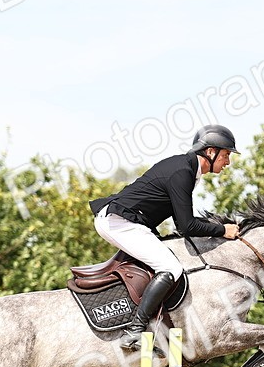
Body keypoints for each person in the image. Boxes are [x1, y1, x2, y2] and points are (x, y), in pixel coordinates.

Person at [90, 124, 241, 350]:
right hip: (119, 222)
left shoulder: (187, 168)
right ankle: (134, 331)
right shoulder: (183, 172)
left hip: (127, 221)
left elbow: (178, 220)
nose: (228, 162)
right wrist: (222, 230)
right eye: (226, 154)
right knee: (170, 268)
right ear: (211, 152)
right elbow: (187, 225)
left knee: (163, 260)